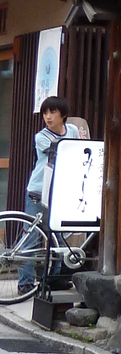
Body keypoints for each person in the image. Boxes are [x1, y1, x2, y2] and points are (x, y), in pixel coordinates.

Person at [17, 96, 79, 290]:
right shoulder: (42, 136)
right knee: (31, 238)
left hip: (59, 191)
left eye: (53, 112)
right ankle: (25, 283)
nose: (48, 117)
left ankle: (54, 279)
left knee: (58, 237)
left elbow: (77, 152)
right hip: (39, 190)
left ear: (64, 115)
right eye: (45, 113)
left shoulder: (73, 130)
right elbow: (62, 153)